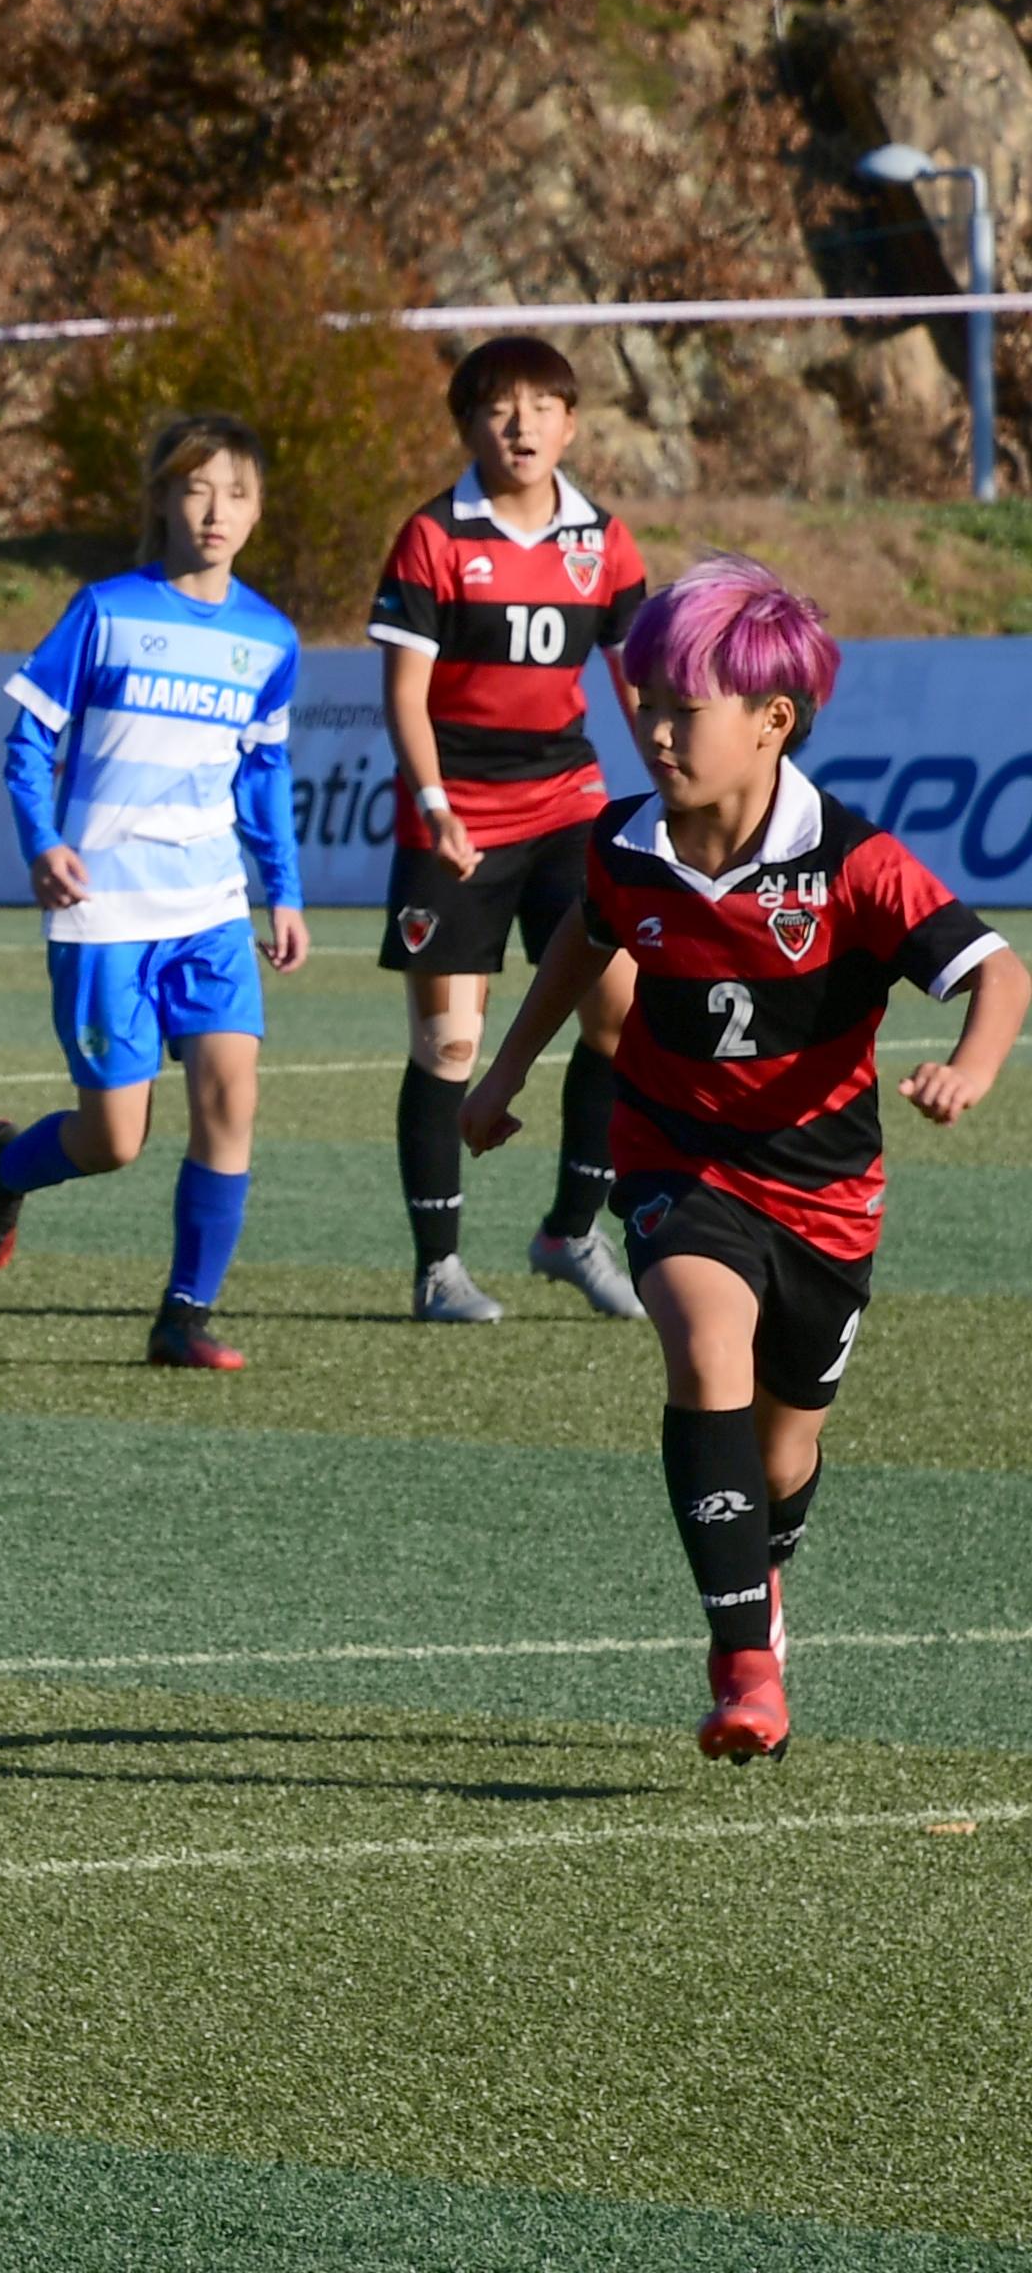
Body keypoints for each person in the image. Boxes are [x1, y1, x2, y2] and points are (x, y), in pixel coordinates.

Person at [465, 557, 1021, 1761]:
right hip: (676, 1154)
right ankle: (742, 1665)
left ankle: (761, 1577)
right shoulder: (627, 842)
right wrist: (506, 1072)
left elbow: (997, 970)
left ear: (773, 721)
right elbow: (583, 935)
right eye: (645, 699)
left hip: (826, 1188)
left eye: (685, 707)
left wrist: (971, 1064)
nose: (655, 728)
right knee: (702, 1336)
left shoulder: (854, 862)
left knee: (785, 1443)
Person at [0, 412, 309, 1370]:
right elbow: (29, 739)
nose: (217, 509)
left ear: (257, 511)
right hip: (103, 909)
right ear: (162, 498)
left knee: (230, 1099)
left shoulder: (269, 639)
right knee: (115, 1138)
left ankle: (183, 1317)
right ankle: (3, 1165)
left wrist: (282, 890)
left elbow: (262, 774)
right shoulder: (107, 611)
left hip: (208, 907)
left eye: (238, 492)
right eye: (198, 488)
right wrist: (43, 843)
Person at [368, 335, 653, 1324]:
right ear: (468, 426)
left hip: (567, 803)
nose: (521, 424)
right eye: (499, 407)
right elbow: (404, 693)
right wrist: (437, 801)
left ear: (572, 423)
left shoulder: (604, 541)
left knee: (624, 1016)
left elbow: (636, 681)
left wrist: (678, 787)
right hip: (454, 817)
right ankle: (438, 1268)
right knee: (450, 1045)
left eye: (542, 405)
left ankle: (572, 1230)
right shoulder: (434, 535)